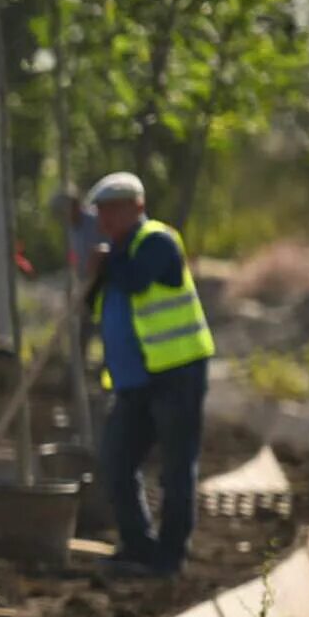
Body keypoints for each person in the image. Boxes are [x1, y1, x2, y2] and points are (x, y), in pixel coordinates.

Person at [86, 171, 213, 579]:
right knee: (116, 460)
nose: (106, 219)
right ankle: (138, 545)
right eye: (102, 212)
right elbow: (97, 306)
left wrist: (107, 261)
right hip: (136, 381)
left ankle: (171, 555)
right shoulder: (116, 253)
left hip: (176, 373)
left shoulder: (156, 242)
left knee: (176, 467)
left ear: (137, 208)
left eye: (114, 210)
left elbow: (137, 282)